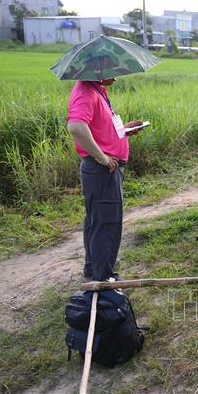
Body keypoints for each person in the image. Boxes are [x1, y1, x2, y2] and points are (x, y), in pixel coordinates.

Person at [67, 78, 145, 282]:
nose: (116, 77)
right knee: (106, 223)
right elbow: (76, 127)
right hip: (102, 170)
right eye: (111, 71)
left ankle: (94, 268)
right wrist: (102, 157)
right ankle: (103, 278)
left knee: (97, 221)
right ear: (97, 71)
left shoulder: (95, 89)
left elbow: (97, 128)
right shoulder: (86, 92)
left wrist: (123, 131)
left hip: (102, 170)